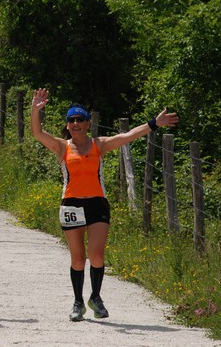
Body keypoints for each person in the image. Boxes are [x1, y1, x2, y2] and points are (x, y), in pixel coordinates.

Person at [30, 88, 178, 322]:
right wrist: (35, 110)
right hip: (71, 205)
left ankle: (95, 297)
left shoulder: (100, 144)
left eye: (80, 119)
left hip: (98, 204)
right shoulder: (61, 147)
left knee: (97, 256)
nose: (76, 123)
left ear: (88, 123)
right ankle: (78, 302)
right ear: (67, 125)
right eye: (72, 120)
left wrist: (155, 123)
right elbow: (37, 132)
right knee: (78, 259)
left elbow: (128, 136)